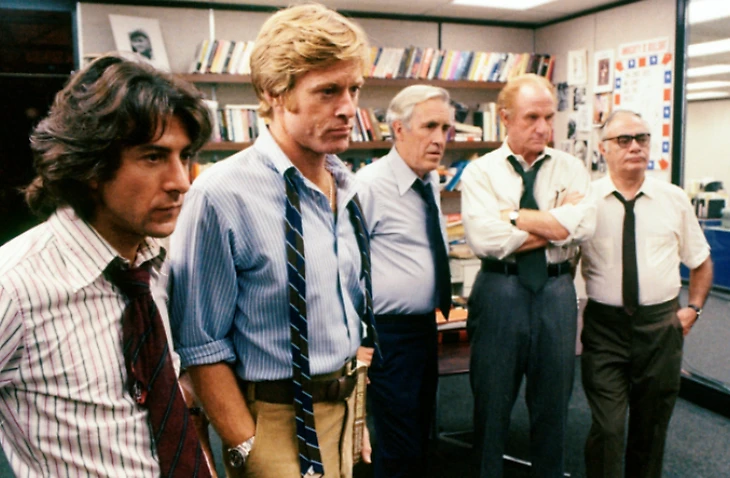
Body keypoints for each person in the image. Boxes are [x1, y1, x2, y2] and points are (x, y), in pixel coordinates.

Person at [168, 4, 375, 477]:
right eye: (328, 91)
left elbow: (348, 312)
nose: (349, 108)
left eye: (354, 89)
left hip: (345, 408)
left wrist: (355, 409)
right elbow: (200, 345)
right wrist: (250, 447)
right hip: (274, 420)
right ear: (274, 93)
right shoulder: (221, 194)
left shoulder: (347, 186)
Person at [0, 54, 214, 477]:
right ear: (91, 167)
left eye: (184, 156)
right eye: (153, 157)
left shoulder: (152, 267)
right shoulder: (15, 286)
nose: (181, 182)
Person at [460, 73, 597, 478]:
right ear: (505, 117)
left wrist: (513, 217)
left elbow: (585, 226)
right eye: (531, 117)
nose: (543, 128)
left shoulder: (572, 168)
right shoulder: (480, 172)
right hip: (499, 291)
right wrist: (556, 221)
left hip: (556, 291)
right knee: (491, 406)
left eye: (549, 118)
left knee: (553, 408)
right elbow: (485, 238)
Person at [580, 110, 713, 478]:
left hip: (660, 328)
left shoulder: (673, 199)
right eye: (624, 140)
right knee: (608, 428)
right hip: (605, 329)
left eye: (642, 138)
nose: (635, 146)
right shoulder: (585, 200)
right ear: (603, 149)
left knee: (651, 430)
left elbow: (700, 262)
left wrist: (694, 309)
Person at [356, 85, 453, 477]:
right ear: (398, 129)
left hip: (423, 328)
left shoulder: (429, 181)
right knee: (399, 443)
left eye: (445, 128)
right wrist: (359, 339)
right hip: (387, 333)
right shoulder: (369, 185)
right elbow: (346, 267)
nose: (440, 139)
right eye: (429, 126)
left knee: (419, 435)